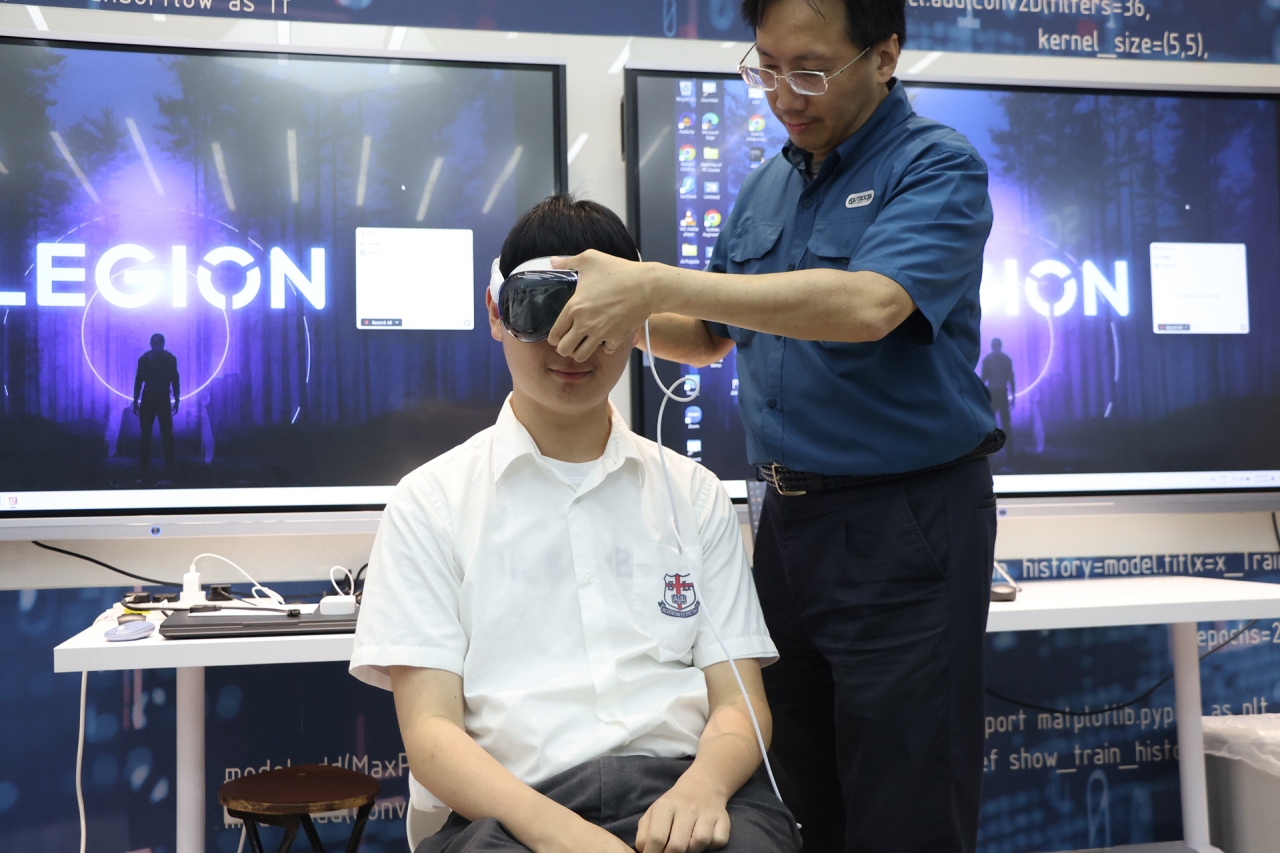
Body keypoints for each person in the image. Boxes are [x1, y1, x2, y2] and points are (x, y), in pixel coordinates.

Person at [540, 1, 1000, 850]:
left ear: (885, 55)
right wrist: (594, 310)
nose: (785, 95)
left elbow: (868, 306)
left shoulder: (936, 167)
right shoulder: (769, 185)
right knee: (798, 791)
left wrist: (654, 281)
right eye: (767, 67)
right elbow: (708, 336)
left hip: (906, 519)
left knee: (906, 802)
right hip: (786, 523)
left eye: (811, 70)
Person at [349, 195, 800, 853]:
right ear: (496, 313)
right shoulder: (430, 504)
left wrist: (703, 788)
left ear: (639, 320)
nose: (572, 343)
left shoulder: (693, 495)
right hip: (510, 812)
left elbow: (738, 703)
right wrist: (565, 836)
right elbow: (432, 737)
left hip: (684, 790)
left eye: (600, 315)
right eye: (542, 311)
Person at [133, 332, 180, 477]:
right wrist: (176, 399)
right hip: (158, 398)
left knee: (152, 434)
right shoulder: (169, 359)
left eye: (157, 344)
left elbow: (139, 380)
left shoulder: (146, 359)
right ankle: (164, 466)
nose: (157, 346)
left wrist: (136, 401)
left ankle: (147, 467)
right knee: (160, 434)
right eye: (156, 344)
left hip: (153, 398)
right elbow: (174, 380)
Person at [981, 337, 1015, 453]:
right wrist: (1013, 396)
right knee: (1000, 423)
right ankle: (1006, 452)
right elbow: (1011, 379)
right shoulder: (1005, 359)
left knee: (999, 423)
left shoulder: (991, 360)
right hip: (997, 394)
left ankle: (993, 452)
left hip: (996, 394)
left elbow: (983, 379)